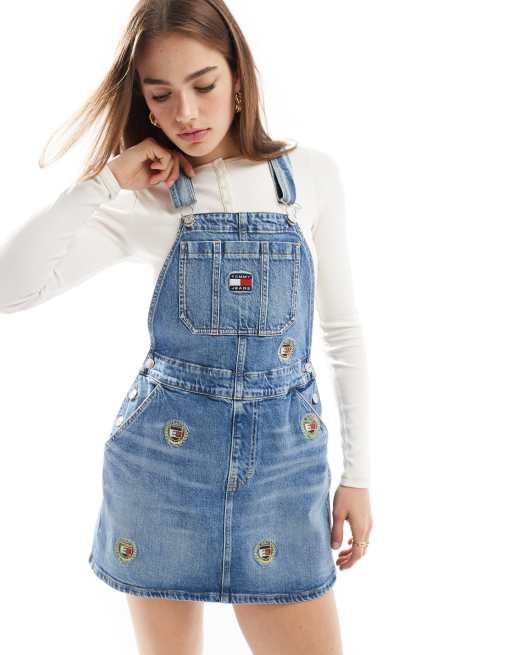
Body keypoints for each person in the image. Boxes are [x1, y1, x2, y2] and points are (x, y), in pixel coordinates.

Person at [0, 1, 373, 653]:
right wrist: (105, 182)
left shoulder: (309, 176)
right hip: (162, 468)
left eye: (203, 85)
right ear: (143, 103)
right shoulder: (143, 198)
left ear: (237, 75)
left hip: (285, 469)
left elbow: (343, 334)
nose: (187, 114)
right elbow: (11, 287)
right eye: (162, 95)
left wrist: (358, 476)